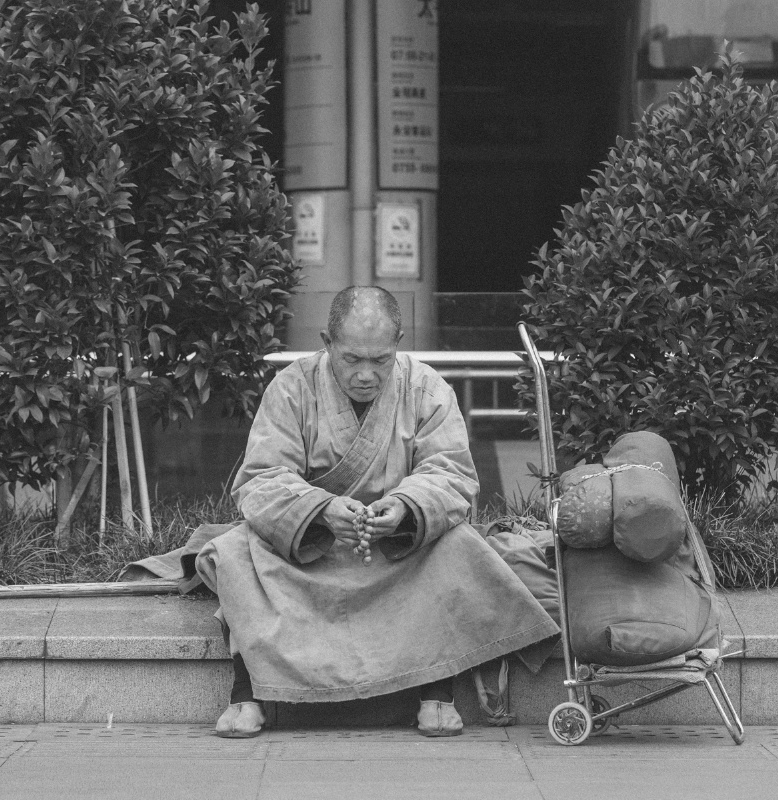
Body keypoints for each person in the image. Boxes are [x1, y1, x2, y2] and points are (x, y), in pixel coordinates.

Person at [129, 286, 559, 738]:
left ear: (398, 344)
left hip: (396, 549)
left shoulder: (427, 388)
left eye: (380, 360)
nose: (366, 375)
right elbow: (261, 478)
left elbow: (451, 473)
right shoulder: (292, 387)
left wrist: (406, 507)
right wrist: (321, 509)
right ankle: (247, 693)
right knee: (235, 551)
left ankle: (437, 691)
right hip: (311, 548)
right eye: (352, 359)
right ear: (327, 342)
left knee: (457, 545)